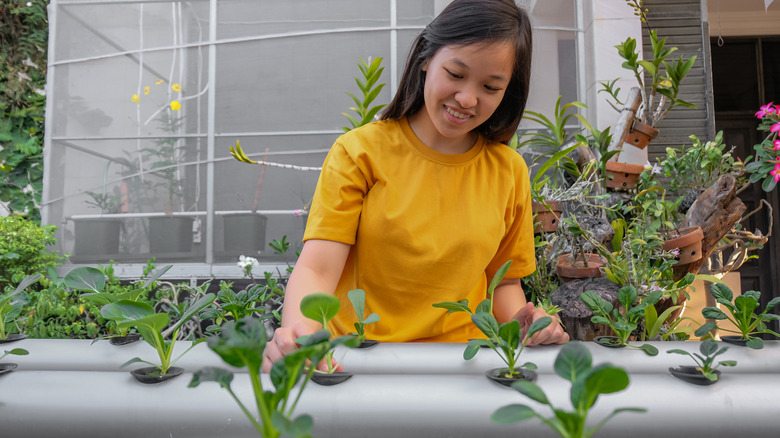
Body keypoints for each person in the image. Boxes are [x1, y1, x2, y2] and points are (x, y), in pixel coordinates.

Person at [263, 0, 569, 372]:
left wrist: (527, 324)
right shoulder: (361, 152)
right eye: (456, 74)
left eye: (490, 86)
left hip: (464, 366)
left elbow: (502, 285)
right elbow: (318, 270)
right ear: (426, 56)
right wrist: (301, 336)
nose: (468, 98)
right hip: (358, 360)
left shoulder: (509, 171)